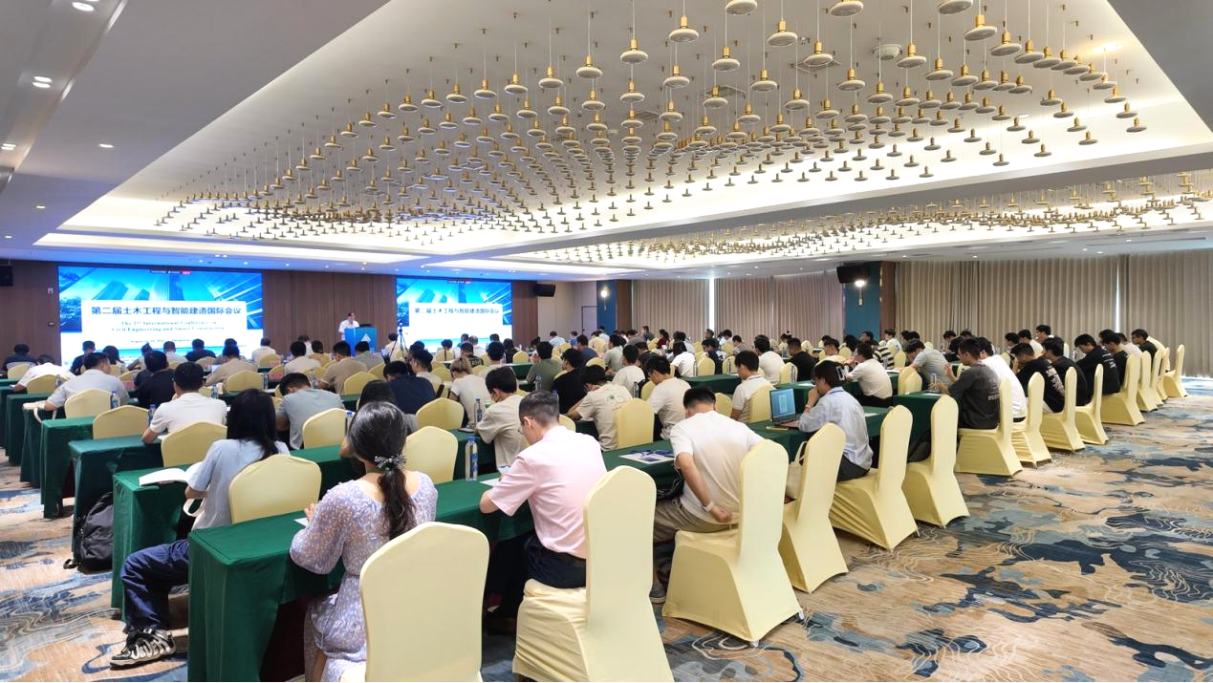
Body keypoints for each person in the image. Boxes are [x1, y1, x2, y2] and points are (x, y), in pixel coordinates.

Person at [112, 391, 286, 668]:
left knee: (135, 565)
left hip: (214, 545)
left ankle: (152, 635)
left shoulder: (222, 448)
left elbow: (192, 491)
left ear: (234, 418)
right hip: (258, 543)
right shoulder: (281, 450)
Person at [291, 402, 437, 683]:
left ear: (355, 446)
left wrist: (314, 524)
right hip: (416, 604)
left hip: (363, 618)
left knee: (317, 611)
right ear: (402, 441)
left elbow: (311, 558)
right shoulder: (426, 485)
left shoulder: (344, 497)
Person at [479, 392, 606, 622]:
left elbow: (487, 506)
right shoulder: (589, 442)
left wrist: (502, 483)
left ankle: (504, 613)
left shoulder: (532, 457)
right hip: (601, 556)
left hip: (564, 569)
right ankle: (505, 613)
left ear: (527, 422)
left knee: (513, 543)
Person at [649, 387, 761, 603]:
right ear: (715, 405)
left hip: (703, 516)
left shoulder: (682, 428)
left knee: (636, 521)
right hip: (742, 514)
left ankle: (654, 588)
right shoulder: (739, 427)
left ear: (687, 411)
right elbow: (769, 452)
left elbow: (686, 464)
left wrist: (711, 506)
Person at [798, 361, 873, 481]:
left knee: (806, 453)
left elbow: (803, 425)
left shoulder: (827, 402)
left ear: (823, 380)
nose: (815, 386)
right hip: (864, 462)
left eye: (816, 381)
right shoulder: (851, 399)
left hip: (848, 466)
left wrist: (810, 403)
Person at [141, 362, 227, 443]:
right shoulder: (220, 405)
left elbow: (147, 439)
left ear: (175, 384)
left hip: (178, 454)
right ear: (201, 384)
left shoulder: (165, 409)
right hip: (213, 453)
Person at [933, 339, 1001, 430]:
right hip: (991, 420)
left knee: (939, 421)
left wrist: (940, 386)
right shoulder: (987, 369)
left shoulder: (972, 372)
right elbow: (964, 385)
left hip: (976, 421)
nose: (959, 357)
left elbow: (950, 392)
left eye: (959, 354)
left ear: (966, 354)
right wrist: (951, 376)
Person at [274, 372, 345, 449]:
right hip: (340, 443)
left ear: (289, 390)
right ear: (309, 385)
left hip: (307, 447)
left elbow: (279, 425)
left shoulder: (289, 398)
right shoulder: (334, 396)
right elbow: (345, 416)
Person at [568, 365, 632, 450]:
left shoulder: (593, 396)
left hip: (609, 449)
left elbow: (570, 415)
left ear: (588, 385)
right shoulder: (623, 389)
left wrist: (588, 395)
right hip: (631, 444)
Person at [476, 367, 527, 468]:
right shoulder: (527, 401)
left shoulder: (495, 410)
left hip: (509, 469)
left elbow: (480, 432)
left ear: (496, 392)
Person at [45, 352, 128, 412]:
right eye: (109, 365)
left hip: (77, 427)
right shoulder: (115, 381)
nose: (110, 368)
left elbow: (49, 406)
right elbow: (124, 402)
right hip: (107, 426)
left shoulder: (69, 383)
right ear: (103, 365)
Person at [976, 338, 1026, 420]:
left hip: (1010, 417)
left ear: (982, 352)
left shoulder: (984, 363)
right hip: (1021, 412)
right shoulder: (998, 358)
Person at [645, 355, 690, 439]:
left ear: (655, 373)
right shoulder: (684, 383)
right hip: (689, 432)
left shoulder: (660, 388)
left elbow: (646, 412)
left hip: (672, 436)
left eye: (650, 376)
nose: (651, 380)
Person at [1012, 343, 1065, 413]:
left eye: (1017, 358)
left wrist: (1015, 367)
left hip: (1052, 405)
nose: (1017, 360)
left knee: (1014, 402)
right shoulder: (1043, 362)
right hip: (1059, 402)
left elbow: (1014, 383)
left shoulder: (1031, 365)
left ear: (1023, 356)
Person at [383, 361, 436, 429]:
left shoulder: (389, 387)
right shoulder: (425, 381)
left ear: (388, 376)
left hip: (411, 428)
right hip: (435, 421)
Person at [1042, 337, 1089, 406]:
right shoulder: (1065, 361)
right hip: (1079, 400)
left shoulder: (1057, 366)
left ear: (1049, 351)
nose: (1042, 352)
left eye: (1043, 349)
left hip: (1073, 404)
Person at [730, 351, 771, 423]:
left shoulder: (742, 389)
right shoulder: (768, 384)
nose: (737, 371)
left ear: (742, 367)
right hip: (763, 424)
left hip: (744, 427)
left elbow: (733, 419)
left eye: (737, 367)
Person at [449, 358, 491, 425]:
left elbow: (450, 406)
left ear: (454, 374)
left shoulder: (457, 382)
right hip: (491, 421)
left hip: (475, 425)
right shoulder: (481, 379)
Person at [551, 348, 587, 415]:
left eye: (563, 359)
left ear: (566, 361)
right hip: (580, 413)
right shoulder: (585, 377)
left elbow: (553, 401)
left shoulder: (559, 380)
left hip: (564, 415)